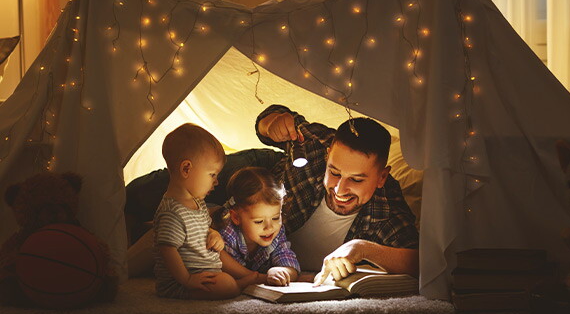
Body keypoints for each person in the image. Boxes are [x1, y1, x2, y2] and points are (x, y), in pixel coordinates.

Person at [255, 105, 419, 285]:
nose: (340, 190)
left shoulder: (387, 207)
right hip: (261, 169)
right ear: (327, 155)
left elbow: (420, 262)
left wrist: (362, 248)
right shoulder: (315, 145)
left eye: (356, 180)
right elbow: (268, 121)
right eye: (334, 173)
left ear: (382, 177)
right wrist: (272, 123)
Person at [153, 123, 257, 300]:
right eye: (212, 174)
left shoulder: (198, 203)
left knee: (223, 279)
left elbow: (200, 230)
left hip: (205, 272)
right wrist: (187, 279)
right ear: (186, 169)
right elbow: (167, 250)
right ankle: (237, 286)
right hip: (181, 283)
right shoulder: (172, 213)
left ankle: (236, 282)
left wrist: (213, 233)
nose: (216, 182)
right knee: (225, 285)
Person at [215, 167, 301, 286]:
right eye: (259, 221)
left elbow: (286, 257)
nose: (269, 227)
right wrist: (260, 277)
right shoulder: (227, 232)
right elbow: (220, 262)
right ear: (236, 218)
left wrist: (282, 271)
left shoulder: (276, 231)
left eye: (275, 218)